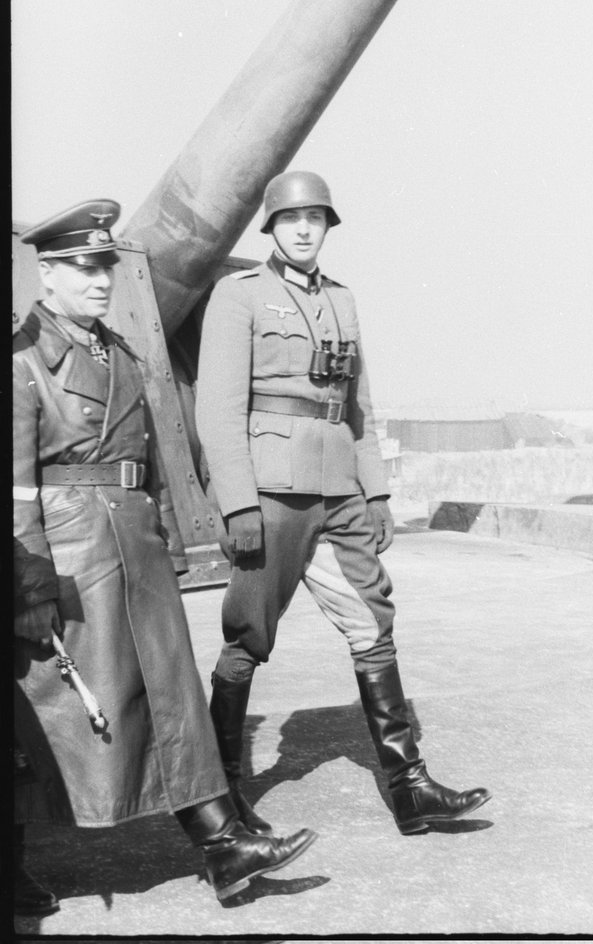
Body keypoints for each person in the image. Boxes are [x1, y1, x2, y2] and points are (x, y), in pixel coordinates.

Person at [13, 200, 317, 913]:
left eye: (105, 266)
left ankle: (222, 845)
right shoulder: (24, 362)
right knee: (47, 710)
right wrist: (29, 586)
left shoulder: (115, 351)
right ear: (47, 273)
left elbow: (146, 461)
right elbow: (15, 486)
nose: (99, 280)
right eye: (82, 267)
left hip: (133, 544)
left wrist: (169, 544)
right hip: (69, 552)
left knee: (172, 691)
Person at [195, 171, 490, 836]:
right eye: (291, 218)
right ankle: (223, 795)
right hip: (270, 491)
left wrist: (377, 489)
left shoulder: (343, 301)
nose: (304, 229)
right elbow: (216, 409)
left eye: (316, 218)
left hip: (340, 491)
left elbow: (358, 403)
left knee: (373, 624)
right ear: (271, 227)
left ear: (328, 226)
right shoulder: (239, 297)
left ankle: (408, 787)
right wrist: (239, 504)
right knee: (249, 636)